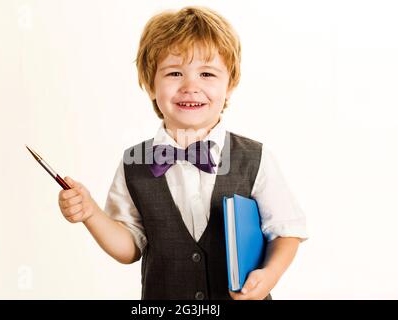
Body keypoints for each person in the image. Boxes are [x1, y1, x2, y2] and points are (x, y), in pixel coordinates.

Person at [58, 6, 307, 300]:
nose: (191, 86)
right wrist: (91, 214)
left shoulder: (255, 157)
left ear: (230, 85)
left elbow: (285, 231)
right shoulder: (132, 164)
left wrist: (269, 275)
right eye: (175, 73)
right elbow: (129, 249)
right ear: (151, 85)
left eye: (207, 73)